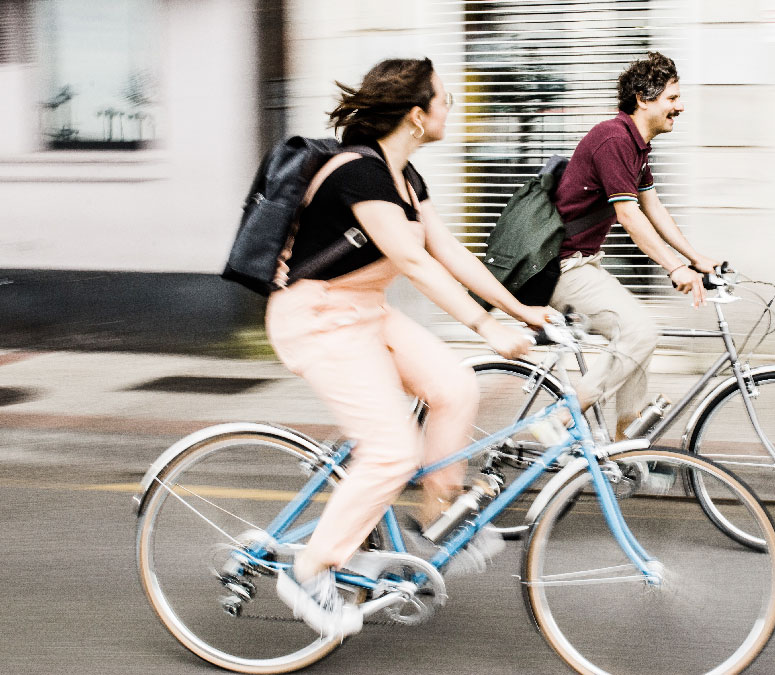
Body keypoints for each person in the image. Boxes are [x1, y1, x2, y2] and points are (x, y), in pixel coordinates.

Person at [266, 58, 552, 638]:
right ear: (417, 116)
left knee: (454, 386)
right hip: (317, 318)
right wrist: (483, 326)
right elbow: (413, 260)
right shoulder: (358, 174)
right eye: (444, 98)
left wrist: (520, 311)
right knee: (393, 448)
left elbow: (452, 254)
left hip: (365, 312)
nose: (453, 107)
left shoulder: (406, 180)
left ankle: (438, 518)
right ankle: (309, 570)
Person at [549, 52, 721, 437]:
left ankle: (626, 442)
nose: (680, 106)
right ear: (644, 98)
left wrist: (696, 259)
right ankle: (563, 417)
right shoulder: (613, 139)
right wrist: (674, 267)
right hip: (563, 267)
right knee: (640, 330)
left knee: (636, 336)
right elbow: (629, 215)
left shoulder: (635, 144)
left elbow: (653, 206)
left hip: (583, 263)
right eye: (672, 98)